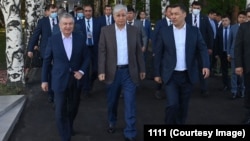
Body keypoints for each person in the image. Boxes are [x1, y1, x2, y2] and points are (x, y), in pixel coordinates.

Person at [154, 3, 210, 124]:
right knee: (172, 104)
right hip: (170, 75)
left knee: (183, 107)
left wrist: (205, 65)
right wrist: (157, 73)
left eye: (176, 14)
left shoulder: (194, 31)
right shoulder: (164, 31)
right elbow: (158, 53)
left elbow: (202, 48)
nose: (173, 16)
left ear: (184, 14)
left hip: (187, 75)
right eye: (171, 14)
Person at [98, 4, 145, 141]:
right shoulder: (105, 31)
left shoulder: (134, 30)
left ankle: (130, 131)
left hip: (129, 72)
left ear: (127, 16)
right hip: (112, 73)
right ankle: (112, 121)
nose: (121, 18)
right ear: (113, 17)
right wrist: (101, 70)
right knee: (112, 102)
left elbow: (138, 51)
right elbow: (102, 52)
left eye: (123, 15)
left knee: (130, 102)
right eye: (118, 15)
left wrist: (142, 69)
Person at [41, 13, 90, 141]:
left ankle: (69, 125)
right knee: (60, 111)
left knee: (73, 107)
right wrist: (44, 80)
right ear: (60, 25)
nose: (68, 26)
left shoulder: (80, 38)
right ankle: (65, 137)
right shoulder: (53, 40)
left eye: (70, 24)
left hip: (76, 80)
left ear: (74, 25)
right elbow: (46, 61)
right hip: (58, 79)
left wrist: (82, 71)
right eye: (65, 24)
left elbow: (87, 58)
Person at [27, 4, 58, 103]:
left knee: (56, 72)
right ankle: (51, 93)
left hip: (58, 51)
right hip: (46, 51)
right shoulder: (42, 22)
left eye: (55, 11)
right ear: (47, 12)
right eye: (52, 12)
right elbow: (35, 35)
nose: (54, 14)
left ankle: (57, 91)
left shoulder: (60, 21)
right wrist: (30, 49)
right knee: (48, 72)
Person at [185, 1, 213, 96]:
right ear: (191, 8)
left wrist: (209, 47)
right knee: (188, 66)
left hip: (201, 46)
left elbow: (210, 33)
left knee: (203, 66)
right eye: (194, 7)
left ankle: (204, 88)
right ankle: (188, 87)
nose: (196, 9)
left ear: (200, 9)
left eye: (198, 8)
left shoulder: (204, 18)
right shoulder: (187, 18)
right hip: (188, 46)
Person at [76, 4, 101, 97]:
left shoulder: (98, 22)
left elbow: (101, 36)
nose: (88, 13)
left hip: (95, 48)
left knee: (96, 69)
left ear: (92, 11)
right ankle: (86, 89)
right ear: (83, 12)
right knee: (85, 69)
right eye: (86, 11)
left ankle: (90, 83)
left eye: (89, 11)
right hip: (84, 49)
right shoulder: (78, 23)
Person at [152, 5, 172, 99]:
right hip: (161, 51)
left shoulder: (177, 23)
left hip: (172, 52)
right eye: (169, 12)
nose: (171, 14)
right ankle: (158, 89)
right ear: (165, 13)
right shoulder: (160, 23)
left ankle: (170, 90)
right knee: (160, 69)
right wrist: (154, 50)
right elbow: (155, 37)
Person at [235, 11, 250, 125]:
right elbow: (238, 47)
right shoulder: (244, 27)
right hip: (248, 65)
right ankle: (248, 116)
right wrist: (239, 65)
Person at [227, 11, 246, 99]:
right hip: (234, 53)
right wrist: (228, 53)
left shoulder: (247, 28)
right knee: (234, 74)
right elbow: (229, 41)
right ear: (237, 18)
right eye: (240, 17)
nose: (241, 19)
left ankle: (242, 90)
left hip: (245, 55)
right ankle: (234, 91)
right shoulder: (233, 28)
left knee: (243, 74)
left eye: (243, 17)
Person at [214, 15, 231, 91]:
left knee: (234, 69)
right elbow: (216, 42)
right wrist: (216, 53)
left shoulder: (233, 29)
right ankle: (226, 85)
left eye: (226, 20)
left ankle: (236, 85)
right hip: (223, 52)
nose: (224, 22)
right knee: (224, 69)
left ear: (229, 21)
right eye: (223, 21)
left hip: (231, 53)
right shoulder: (219, 30)